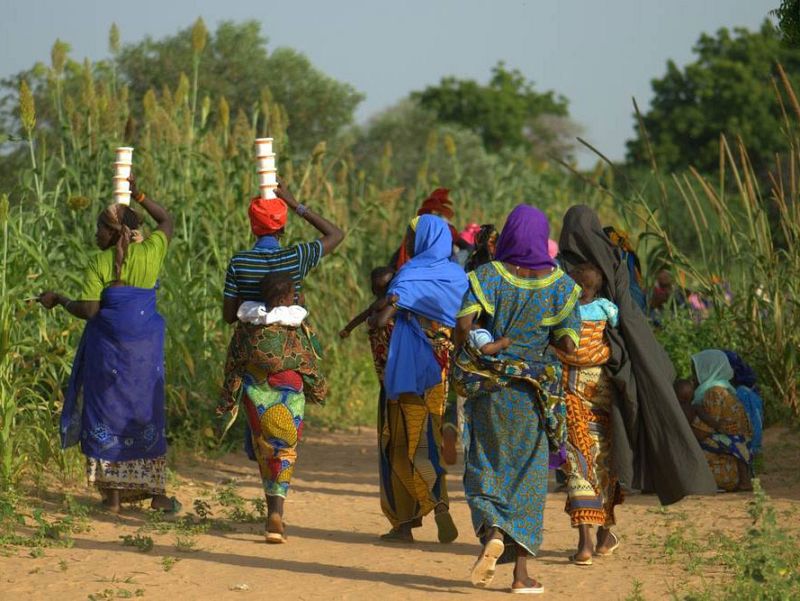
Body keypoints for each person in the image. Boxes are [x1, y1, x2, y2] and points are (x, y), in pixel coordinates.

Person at [454, 204, 580, 595]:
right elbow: (567, 343)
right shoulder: (561, 285)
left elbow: (462, 327)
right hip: (532, 396)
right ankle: (521, 576)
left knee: (486, 464)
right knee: (527, 481)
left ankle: (493, 528)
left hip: (491, 391)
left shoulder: (485, 277)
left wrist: (484, 344)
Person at [558, 205, 716, 506]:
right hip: (614, 353)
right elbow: (627, 311)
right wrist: (640, 351)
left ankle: (589, 513)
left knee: (580, 439)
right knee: (622, 421)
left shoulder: (561, 268)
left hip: (573, 362)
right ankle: (612, 510)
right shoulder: (613, 260)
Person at [38, 176, 178, 514]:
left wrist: (59, 299)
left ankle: (113, 498)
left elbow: (89, 310)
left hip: (109, 354)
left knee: (108, 410)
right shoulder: (151, 252)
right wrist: (140, 194)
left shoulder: (98, 263)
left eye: (100, 229)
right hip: (145, 353)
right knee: (146, 413)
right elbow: (167, 220)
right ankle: (156, 493)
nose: (95, 235)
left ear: (113, 233)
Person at [221, 182, 344, 540]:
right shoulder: (296, 257)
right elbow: (336, 234)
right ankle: (277, 511)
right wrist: (299, 204)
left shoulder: (240, 261)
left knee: (263, 436)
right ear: (283, 225)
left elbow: (230, 315)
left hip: (253, 363)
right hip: (290, 364)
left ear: (252, 226)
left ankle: (271, 509)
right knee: (286, 435)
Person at [368, 215, 467, 545]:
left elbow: (382, 321)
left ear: (421, 240)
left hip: (405, 370)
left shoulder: (407, 274)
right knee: (427, 436)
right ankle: (433, 501)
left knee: (397, 442)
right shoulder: (457, 276)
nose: (407, 244)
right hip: (440, 373)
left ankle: (406, 520)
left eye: (410, 237)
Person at [219, 271, 328, 542]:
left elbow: (233, 362)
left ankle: (272, 513)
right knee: (285, 450)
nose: (296, 297)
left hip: (256, 393)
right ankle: (276, 512)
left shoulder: (248, 326)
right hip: (289, 393)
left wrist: (228, 398)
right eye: (293, 294)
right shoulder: (296, 326)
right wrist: (319, 390)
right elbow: (310, 361)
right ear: (283, 298)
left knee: (264, 449)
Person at [555, 262, 623, 566]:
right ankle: (603, 535)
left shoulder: (564, 313)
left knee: (577, 464)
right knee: (603, 463)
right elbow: (620, 330)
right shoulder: (607, 308)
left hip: (573, 397)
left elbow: (561, 346)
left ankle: (584, 543)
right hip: (602, 396)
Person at [690, 350, 753, 492]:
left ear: (708, 370)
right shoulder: (727, 389)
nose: (693, 377)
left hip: (726, 468)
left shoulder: (714, 392)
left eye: (695, 372)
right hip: (733, 463)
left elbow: (701, 433)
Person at [338, 267, 396, 339]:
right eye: (379, 289)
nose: (383, 292)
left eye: (386, 287)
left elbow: (379, 321)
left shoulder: (396, 302)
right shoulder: (378, 305)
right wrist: (347, 329)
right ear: (374, 290)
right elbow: (363, 316)